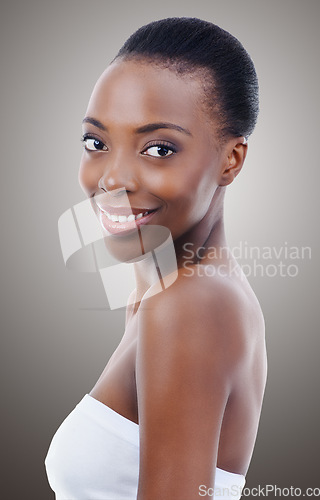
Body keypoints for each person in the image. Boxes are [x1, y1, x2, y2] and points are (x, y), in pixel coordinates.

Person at [45, 17, 267, 500]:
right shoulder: (166, 294)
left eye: (158, 149)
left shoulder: (189, 306)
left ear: (231, 159)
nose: (112, 179)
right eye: (96, 143)